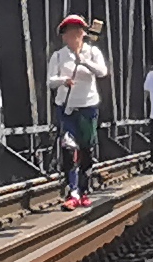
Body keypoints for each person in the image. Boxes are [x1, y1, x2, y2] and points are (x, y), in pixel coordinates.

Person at [48, 16, 115, 207]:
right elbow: (50, 81)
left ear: (83, 34)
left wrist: (84, 62)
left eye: (77, 32)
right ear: (64, 36)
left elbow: (102, 72)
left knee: (86, 149)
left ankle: (84, 190)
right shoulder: (58, 56)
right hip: (66, 108)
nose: (74, 36)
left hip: (88, 106)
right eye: (69, 33)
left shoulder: (92, 52)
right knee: (69, 149)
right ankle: (72, 192)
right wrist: (63, 81)